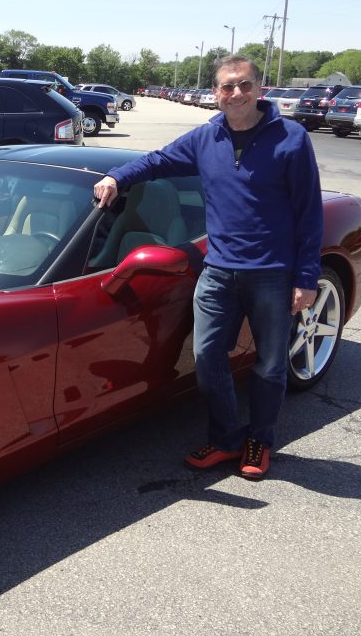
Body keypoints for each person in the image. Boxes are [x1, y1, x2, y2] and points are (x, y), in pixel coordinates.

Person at [93, 55, 323, 480]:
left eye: (244, 85)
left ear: (259, 88)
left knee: (270, 364)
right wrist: (116, 177)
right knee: (206, 356)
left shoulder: (291, 139)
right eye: (227, 87)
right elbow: (157, 161)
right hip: (218, 271)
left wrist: (306, 278)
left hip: (272, 273)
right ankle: (226, 438)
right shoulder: (206, 137)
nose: (236, 94)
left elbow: (309, 214)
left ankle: (260, 440)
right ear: (215, 93)